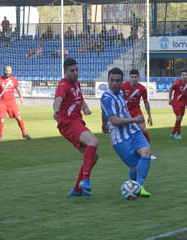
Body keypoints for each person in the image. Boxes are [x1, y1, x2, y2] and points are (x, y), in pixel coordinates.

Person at [101, 67, 152, 198]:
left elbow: (103, 112)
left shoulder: (121, 92)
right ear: (108, 80)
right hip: (120, 137)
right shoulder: (107, 97)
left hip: (133, 131)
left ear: (122, 81)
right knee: (135, 167)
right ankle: (136, 187)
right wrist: (135, 119)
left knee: (146, 152)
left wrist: (103, 123)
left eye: (118, 80)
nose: (114, 83)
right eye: (112, 80)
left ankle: (139, 185)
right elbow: (114, 120)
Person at [53, 58, 99, 196]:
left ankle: (77, 189)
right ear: (65, 71)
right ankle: (85, 180)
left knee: (94, 157)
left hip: (76, 122)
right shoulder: (63, 85)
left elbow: (80, 99)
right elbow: (57, 100)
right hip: (68, 124)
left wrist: (86, 108)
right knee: (94, 142)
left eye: (77, 70)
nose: (75, 73)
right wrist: (56, 110)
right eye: (72, 71)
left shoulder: (76, 84)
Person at [121, 69, 156, 160]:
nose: (133, 79)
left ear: (138, 78)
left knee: (143, 129)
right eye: (132, 77)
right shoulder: (123, 86)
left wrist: (149, 116)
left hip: (136, 112)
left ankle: (148, 152)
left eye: (135, 77)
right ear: (129, 78)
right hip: (126, 112)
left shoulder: (142, 88)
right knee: (125, 133)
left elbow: (146, 102)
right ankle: (131, 152)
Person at [0, 66, 31, 141]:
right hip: (2, 102)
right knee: (1, 119)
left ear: (11, 71)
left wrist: (21, 97)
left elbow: (18, 89)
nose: (7, 72)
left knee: (18, 118)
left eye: (9, 71)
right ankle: (0, 135)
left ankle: (24, 133)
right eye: (6, 70)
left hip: (12, 102)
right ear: (4, 71)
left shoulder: (14, 80)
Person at [169, 69, 187, 140]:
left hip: (183, 103)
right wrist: (170, 99)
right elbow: (170, 90)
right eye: (183, 75)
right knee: (178, 118)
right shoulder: (176, 83)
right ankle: (179, 135)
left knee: (180, 118)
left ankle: (173, 132)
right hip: (176, 103)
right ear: (181, 76)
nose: (184, 76)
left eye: (185, 75)